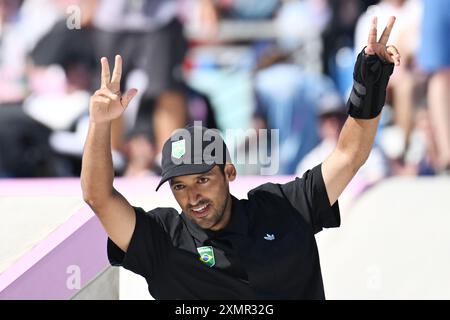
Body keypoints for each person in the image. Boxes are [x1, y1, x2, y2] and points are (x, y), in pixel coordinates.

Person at [81, 16, 401, 299]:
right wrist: (100, 124)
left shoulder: (283, 208)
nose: (193, 197)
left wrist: (368, 87)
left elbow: (349, 155)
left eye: (203, 179)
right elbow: (98, 196)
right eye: (179, 186)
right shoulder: (164, 239)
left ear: (230, 172)